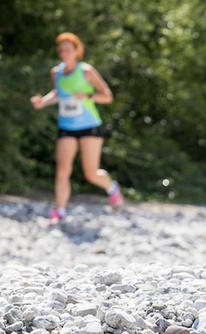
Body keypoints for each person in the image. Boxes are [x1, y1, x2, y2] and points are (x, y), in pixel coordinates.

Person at [30, 32, 122, 222]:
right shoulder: (56, 72)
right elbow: (58, 93)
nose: (64, 54)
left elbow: (107, 96)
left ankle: (111, 188)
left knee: (91, 173)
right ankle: (60, 210)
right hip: (66, 126)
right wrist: (43, 102)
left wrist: (88, 96)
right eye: (61, 50)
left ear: (77, 51)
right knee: (62, 170)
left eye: (68, 50)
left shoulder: (86, 71)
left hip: (89, 126)